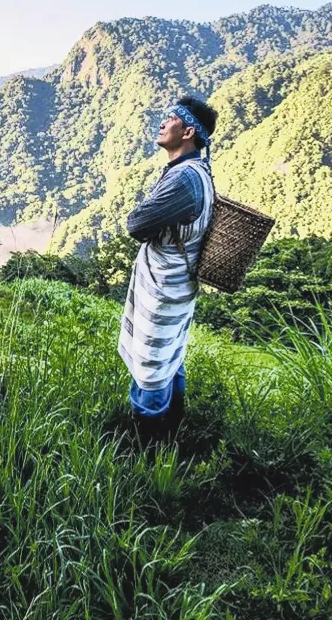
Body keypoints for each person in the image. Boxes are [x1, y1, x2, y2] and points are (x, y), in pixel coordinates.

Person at [118, 95, 217, 441]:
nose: (162, 123)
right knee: (169, 356)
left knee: (151, 366)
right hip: (176, 284)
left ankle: (149, 445)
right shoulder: (195, 172)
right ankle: (174, 432)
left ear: (188, 131)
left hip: (165, 288)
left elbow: (137, 224)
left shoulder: (184, 180)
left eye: (171, 118)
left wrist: (145, 216)